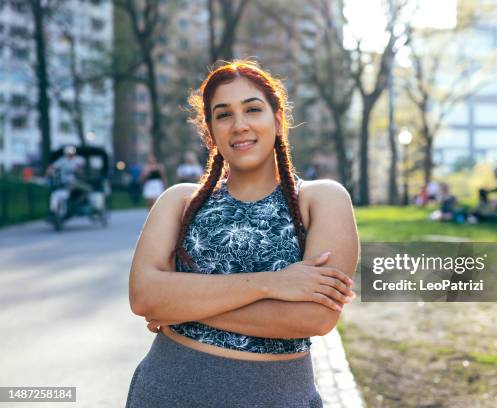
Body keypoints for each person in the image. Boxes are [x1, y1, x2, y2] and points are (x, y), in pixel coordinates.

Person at [126, 61, 359, 407]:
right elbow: (144, 296)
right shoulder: (179, 201)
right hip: (167, 389)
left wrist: (180, 305)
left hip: (275, 397)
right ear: (211, 131)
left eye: (252, 109)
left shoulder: (322, 199)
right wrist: (272, 284)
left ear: (278, 120)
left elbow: (315, 317)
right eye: (223, 115)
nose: (240, 125)